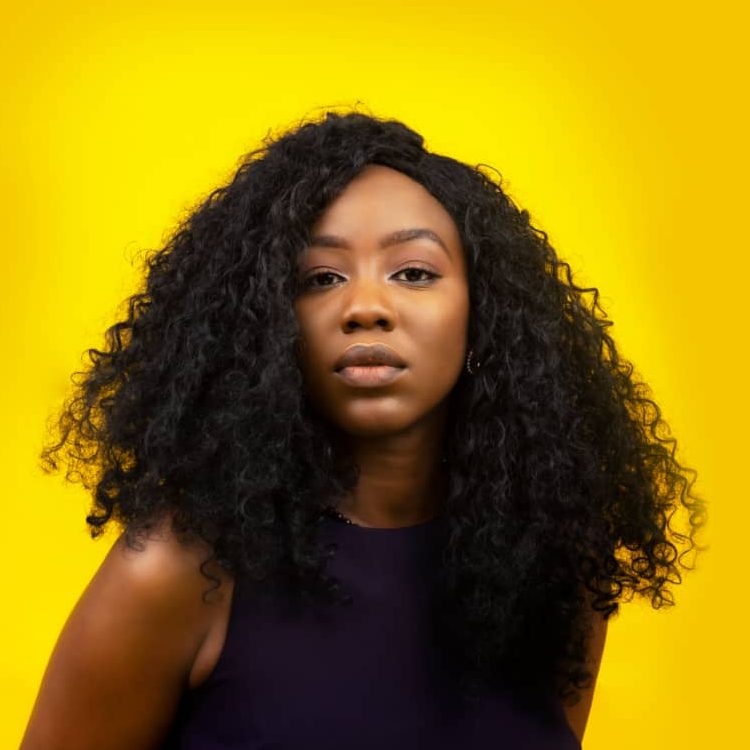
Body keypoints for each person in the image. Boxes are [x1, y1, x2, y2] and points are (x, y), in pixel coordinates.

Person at [21, 110, 705, 749]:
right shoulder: (179, 571)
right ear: (266, 326)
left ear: (485, 316)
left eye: (414, 272)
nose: (366, 307)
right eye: (321, 278)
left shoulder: (554, 559)